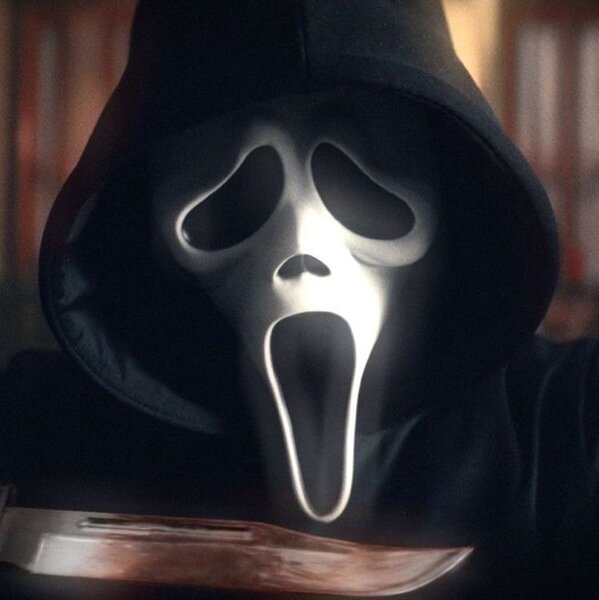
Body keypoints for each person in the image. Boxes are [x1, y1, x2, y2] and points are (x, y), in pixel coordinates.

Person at [2, 1, 598, 597]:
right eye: (237, 195)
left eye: (355, 181)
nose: (302, 247)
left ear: (449, 179)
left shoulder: (567, 421)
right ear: (147, 208)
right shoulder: (36, 422)